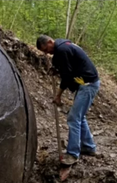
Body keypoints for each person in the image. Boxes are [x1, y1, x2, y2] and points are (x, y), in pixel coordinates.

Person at [36, 35, 101, 165]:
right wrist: (56, 69)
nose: (46, 53)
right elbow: (68, 67)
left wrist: (58, 95)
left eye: (46, 49)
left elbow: (66, 76)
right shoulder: (64, 47)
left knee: (73, 118)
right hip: (86, 83)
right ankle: (89, 147)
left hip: (88, 85)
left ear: (50, 42)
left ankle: (72, 154)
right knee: (79, 117)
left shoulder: (62, 50)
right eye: (44, 52)